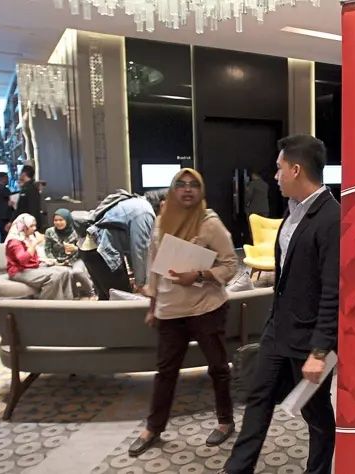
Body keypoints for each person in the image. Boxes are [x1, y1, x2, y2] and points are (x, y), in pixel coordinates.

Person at [221, 135, 340, 474]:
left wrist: (321, 351)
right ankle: (236, 469)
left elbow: (333, 290)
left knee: (316, 415)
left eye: (279, 168)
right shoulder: (292, 212)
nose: (275, 175)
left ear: (296, 169)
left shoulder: (332, 218)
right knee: (258, 399)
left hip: (309, 341)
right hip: (277, 331)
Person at [128, 168, 238, 457]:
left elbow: (230, 264)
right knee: (165, 372)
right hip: (170, 311)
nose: (187, 189)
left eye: (194, 185)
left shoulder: (209, 223)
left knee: (218, 367)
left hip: (206, 308)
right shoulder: (161, 221)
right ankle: (153, 428)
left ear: (201, 191)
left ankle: (225, 421)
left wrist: (200, 274)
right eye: (181, 184)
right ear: (172, 189)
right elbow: (154, 267)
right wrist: (153, 305)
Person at [74, 190, 155, 300]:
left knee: (106, 298)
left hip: (89, 247)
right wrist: (141, 283)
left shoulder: (134, 202)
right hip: (101, 251)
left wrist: (134, 273)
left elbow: (131, 246)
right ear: (162, 203)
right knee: (121, 299)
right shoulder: (145, 211)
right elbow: (140, 248)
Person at [5, 213, 74, 300]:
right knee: (55, 276)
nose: (35, 228)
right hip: (18, 271)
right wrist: (35, 243)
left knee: (65, 272)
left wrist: (50, 261)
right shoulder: (15, 241)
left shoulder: (28, 238)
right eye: (31, 226)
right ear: (23, 227)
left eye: (35, 225)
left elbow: (34, 258)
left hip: (32, 267)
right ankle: (45, 305)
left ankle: (67, 302)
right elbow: (23, 260)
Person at [44, 208, 96, 298]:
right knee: (62, 273)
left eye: (61, 220)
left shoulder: (77, 231)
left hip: (76, 259)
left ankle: (91, 293)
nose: (58, 222)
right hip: (58, 261)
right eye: (56, 220)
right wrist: (54, 261)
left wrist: (75, 249)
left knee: (77, 272)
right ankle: (71, 296)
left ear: (67, 220)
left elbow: (85, 248)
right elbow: (47, 249)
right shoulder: (50, 232)